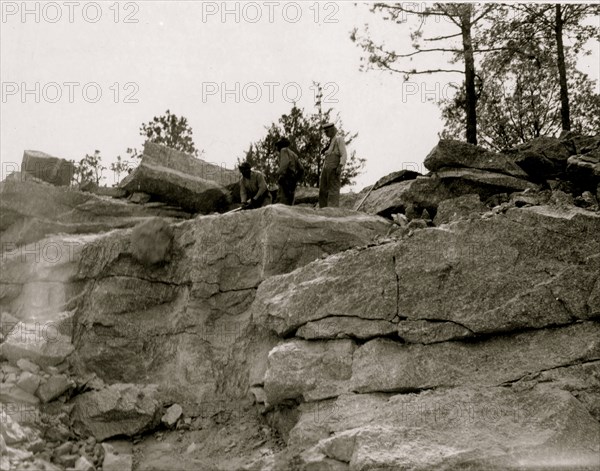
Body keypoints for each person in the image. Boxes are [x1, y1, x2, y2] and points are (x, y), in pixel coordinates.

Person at [319, 122, 347, 208]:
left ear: (331, 130)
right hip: (326, 167)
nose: (326, 134)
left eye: (327, 131)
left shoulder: (339, 139)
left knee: (333, 190)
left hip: (334, 167)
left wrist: (340, 166)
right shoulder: (331, 141)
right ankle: (323, 208)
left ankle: (333, 209)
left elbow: (344, 154)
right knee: (323, 190)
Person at [275, 137, 300, 205]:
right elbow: (301, 169)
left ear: (281, 145)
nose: (277, 148)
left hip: (285, 178)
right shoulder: (294, 155)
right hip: (292, 179)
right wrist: (295, 179)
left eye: (278, 145)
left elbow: (285, 163)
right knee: (290, 200)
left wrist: (279, 173)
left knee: (282, 201)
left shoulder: (283, 150)